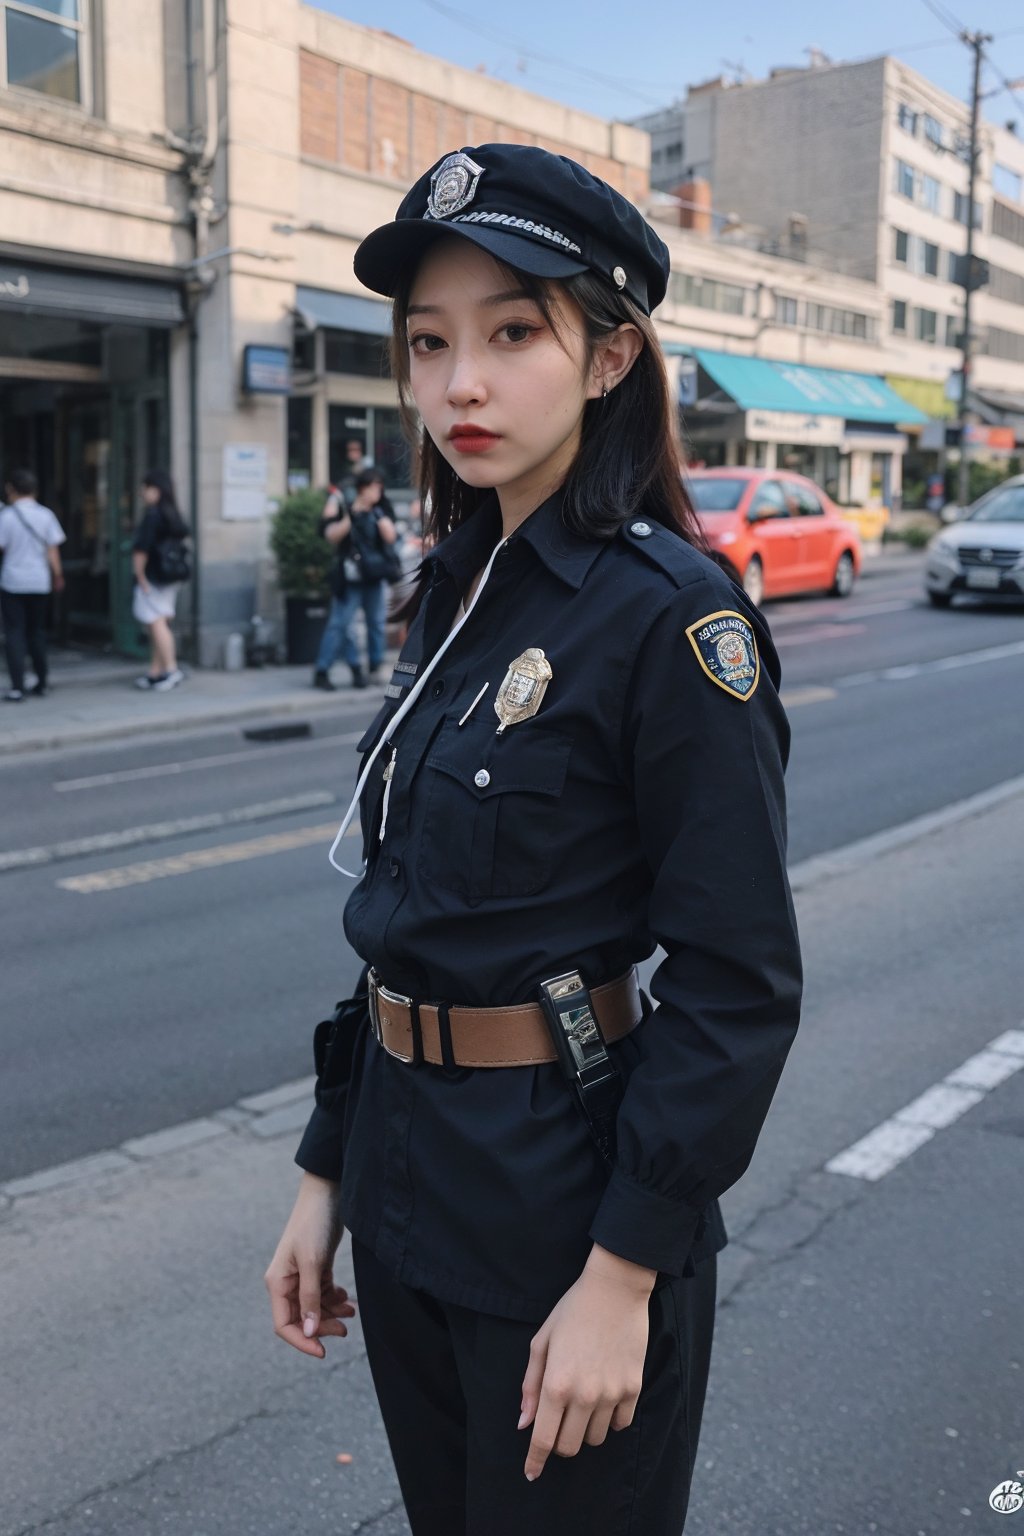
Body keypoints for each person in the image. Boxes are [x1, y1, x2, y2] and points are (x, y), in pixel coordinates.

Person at [267, 144, 802, 1536]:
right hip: (403, 1182)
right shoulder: (456, 592)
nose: (460, 384)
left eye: (513, 333)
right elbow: (404, 918)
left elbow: (739, 982)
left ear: (612, 355)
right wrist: (326, 1173)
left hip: (565, 1214)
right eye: (431, 342)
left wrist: (627, 1270)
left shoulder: (670, 620)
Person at [312, 468, 400, 691]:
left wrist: (376, 513)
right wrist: (353, 514)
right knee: (340, 624)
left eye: (379, 487)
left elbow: (390, 537)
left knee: (376, 624)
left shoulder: (381, 508)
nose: (376, 492)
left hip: (375, 575)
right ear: (362, 488)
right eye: (372, 487)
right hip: (350, 577)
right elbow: (331, 535)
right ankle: (323, 670)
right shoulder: (345, 505)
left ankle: (373, 667)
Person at [0, 468, 65, 702]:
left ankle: (18, 686)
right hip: (39, 581)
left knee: (15, 633)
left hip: (13, 581)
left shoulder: (6, 517)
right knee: (36, 632)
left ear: (11, 489)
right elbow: (53, 550)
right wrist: (57, 575)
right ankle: (42, 682)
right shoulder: (46, 515)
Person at [131, 469, 189, 691]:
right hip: (170, 576)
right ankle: (155, 671)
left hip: (154, 576)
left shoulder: (153, 515)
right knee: (159, 622)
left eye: (145, 488)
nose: (142, 493)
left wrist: (140, 576)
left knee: (156, 622)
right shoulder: (171, 513)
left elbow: (141, 549)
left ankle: (171, 670)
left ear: (155, 490)